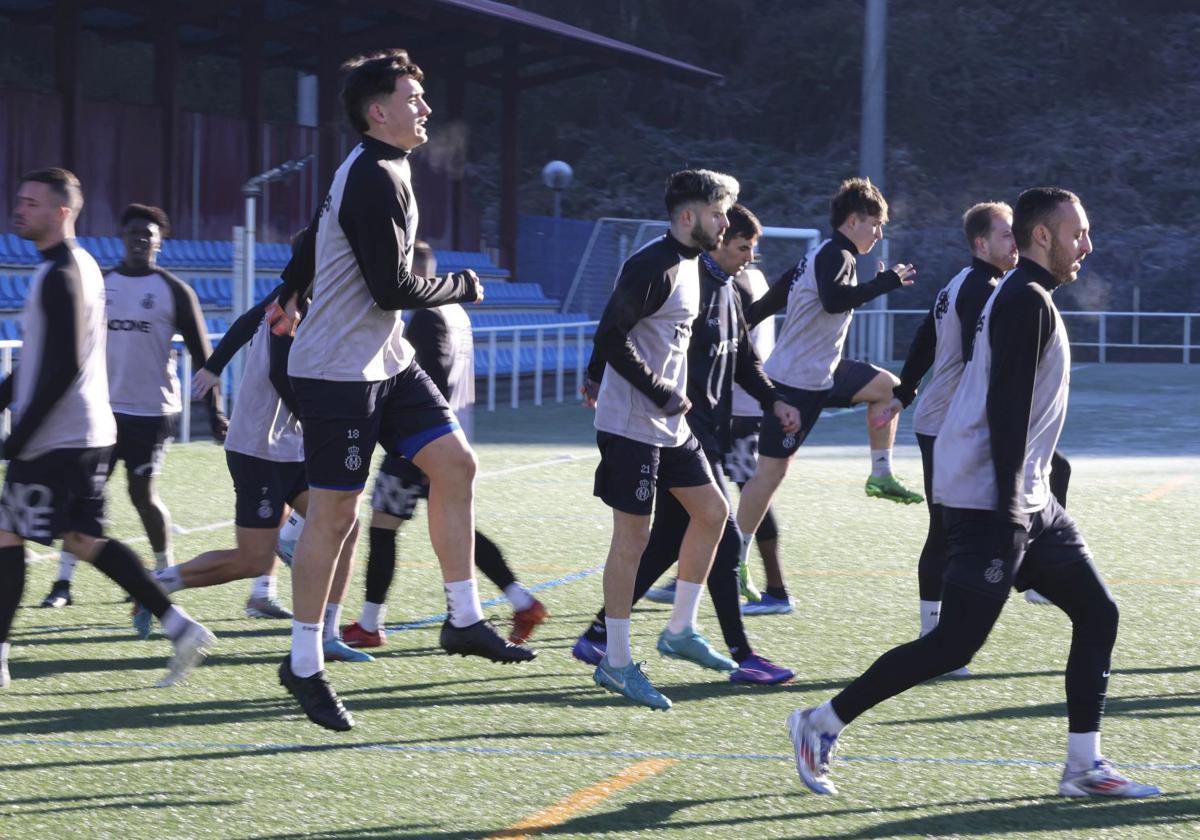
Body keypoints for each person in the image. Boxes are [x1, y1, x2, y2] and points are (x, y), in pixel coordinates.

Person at [787, 187, 1161, 799]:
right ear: (1043, 236)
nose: (1086, 246)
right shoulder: (1024, 301)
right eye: (1078, 234)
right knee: (954, 644)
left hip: (1025, 497)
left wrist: (1032, 492)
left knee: (1098, 612)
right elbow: (1004, 407)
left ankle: (1083, 767)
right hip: (994, 500)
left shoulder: (1023, 294)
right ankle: (819, 723)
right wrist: (1012, 502)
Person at [274, 50, 532, 732]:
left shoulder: (381, 167)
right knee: (335, 518)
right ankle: (302, 663)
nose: (424, 109)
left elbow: (313, 232)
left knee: (455, 464)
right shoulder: (373, 175)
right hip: (336, 372)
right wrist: (462, 288)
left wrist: (291, 287)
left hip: (384, 360)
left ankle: (464, 618)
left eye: (423, 97)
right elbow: (392, 287)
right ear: (376, 111)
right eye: (412, 97)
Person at [0, 168, 214, 689]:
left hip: (59, 435)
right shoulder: (83, 267)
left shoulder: (63, 273)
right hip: (88, 431)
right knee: (83, 539)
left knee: (7, 535)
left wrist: (18, 438)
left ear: (62, 211)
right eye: (19, 201)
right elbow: (39, 360)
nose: (19, 209)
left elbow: (63, 363)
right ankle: (179, 625)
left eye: (31, 203)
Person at [573, 204, 799, 686]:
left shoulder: (728, 291)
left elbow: (743, 362)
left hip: (703, 431)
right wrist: (597, 370)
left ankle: (606, 633)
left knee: (675, 539)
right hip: (678, 428)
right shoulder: (679, 276)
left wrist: (774, 399)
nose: (748, 257)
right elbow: (620, 325)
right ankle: (739, 652)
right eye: (741, 245)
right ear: (712, 234)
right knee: (712, 532)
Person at [582, 168, 741, 710]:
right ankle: (617, 662)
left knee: (713, 512)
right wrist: (655, 390)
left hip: (667, 425)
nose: (725, 223)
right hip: (633, 424)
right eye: (719, 213)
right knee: (633, 540)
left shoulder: (695, 263)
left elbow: (616, 326)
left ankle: (680, 631)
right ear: (688, 215)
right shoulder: (655, 263)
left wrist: (592, 372)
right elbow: (612, 331)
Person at [342, 241, 548, 648]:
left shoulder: (424, 316)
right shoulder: (455, 313)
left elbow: (425, 379)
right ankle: (521, 600)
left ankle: (369, 624)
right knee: (458, 529)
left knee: (383, 528)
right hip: (448, 438)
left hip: (418, 442)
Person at [161, 279, 371, 662]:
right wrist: (320, 419)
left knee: (346, 523)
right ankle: (155, 585)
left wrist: (213, 367)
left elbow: (244, 322)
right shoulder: (290, 302)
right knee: (253, 560)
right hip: (258, 446)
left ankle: (327, 633)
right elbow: (278, 370)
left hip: (293, 448)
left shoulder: (316, 298)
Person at [40, 204, 228, 609]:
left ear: (161, 241)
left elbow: (205, 358)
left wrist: (215, 410)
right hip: (98, 412)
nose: (141, 240)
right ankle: (62, 584)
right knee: (81, 496)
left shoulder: (175, 291)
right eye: (134, 233)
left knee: (142, 494)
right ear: (121, 237)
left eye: (149, 234)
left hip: (151, 414)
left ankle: (162, 573)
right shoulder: (98, 284)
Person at [733, 178, 920, 569]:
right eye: (875, 223)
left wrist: (742, 322)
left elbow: (776, 296)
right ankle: (733, 560)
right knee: (768, 476)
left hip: (824, 373)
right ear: (853, 221)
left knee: (889, 388)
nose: (879, 233)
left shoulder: (820, 254)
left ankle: (880, 474)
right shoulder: (838, 255)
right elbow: (835, 301)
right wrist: (885, 283)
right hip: (793, 383)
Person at [882, 202, 1018, 653]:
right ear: (981, 243)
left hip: (949, 422)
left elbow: (925, 338)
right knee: (947, 530)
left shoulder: (970, 282)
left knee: (968, 523)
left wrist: (902, 394)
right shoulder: (980, 286)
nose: (1014, 241)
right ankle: (934, 636)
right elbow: (980, 359)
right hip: (947, 425)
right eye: (1005, 235)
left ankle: (945, 630)